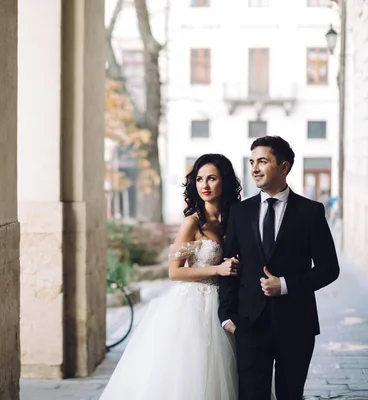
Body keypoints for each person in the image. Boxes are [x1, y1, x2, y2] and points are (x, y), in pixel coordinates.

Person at [99, 154, 242, 399]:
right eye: (199, 179)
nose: (204, 186)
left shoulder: (236, 219)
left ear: (225, 182)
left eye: (211, 179)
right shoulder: (192, 223)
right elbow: (174, 271)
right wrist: (216, 270)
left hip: (229, 303)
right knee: (195, 371)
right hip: (195, 305)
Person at [219, 136, 340, 400]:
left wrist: (285, 285)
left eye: (262, 161)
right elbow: (229, 266)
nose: (254, 169)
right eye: (252, 162)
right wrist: (226, 315)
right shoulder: (239, 212)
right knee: (251, 395)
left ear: (284, 167)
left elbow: (329, 268)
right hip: (248, 324)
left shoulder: (311, 212)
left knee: (290, 394)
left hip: (296, 324)